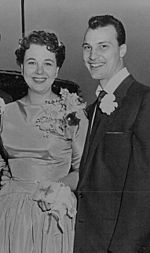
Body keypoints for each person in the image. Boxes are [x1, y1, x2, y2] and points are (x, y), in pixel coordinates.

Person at [0, 30, 88, 253]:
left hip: (52, 214)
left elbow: (83, 171)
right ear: (21, 67)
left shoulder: (73, 113)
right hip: (9, 214)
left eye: (47, 64)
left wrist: (57, 188)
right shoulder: (4, 113)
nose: (39, 71)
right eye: (32, 62)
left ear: (57, 69)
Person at [73, 14, 150, 253]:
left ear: (122, 49)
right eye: (88, 47)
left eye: (103, 46)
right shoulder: (92, 108)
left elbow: (144, 189)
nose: (93, 56)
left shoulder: (144, 100)